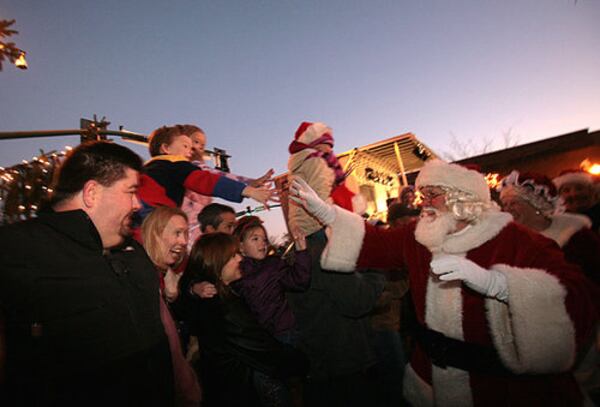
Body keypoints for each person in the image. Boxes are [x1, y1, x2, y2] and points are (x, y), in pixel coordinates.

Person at [290, 159, 597, 406]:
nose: (423, 203)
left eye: (431, 194)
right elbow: (376, 244)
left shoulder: (517, 240)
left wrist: (501, 285)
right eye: (422, 195)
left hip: (500, 387)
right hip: (432, 379)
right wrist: (328, 214)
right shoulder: (420, 236)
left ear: (460, 197)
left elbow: (580, 298)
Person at [0, 141, 173, 405]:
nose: (138, 204)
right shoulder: (16, 249)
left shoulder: (135, 252)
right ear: (92, 193)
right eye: (131, 191)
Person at [287, 121, 384, 406]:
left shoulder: (299, 252)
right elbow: (357, 300)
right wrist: (376, 270)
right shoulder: (326, 250)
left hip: (319, 367)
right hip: (344, 368)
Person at [179, 233, 309, 406]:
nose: (240, 258)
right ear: (218, 263)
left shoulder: (212, 296)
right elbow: (263, 350)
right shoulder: (224, 309)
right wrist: (302, 363)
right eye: (233, 256)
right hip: (238, 392)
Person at [135, 125, 275, 230]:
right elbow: (206, 181)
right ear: (166, 148)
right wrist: (247, 190)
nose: (190, 150)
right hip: (152, 213)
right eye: (185, 146)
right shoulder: (175, 164)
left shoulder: (152, 167)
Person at [141, 207, 201, 406]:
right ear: (155, 234)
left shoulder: (163, 277)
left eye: (185, 234)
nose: (184, 242)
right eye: (177, 233)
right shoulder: (138, 279)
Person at [179, 124, 274, 249]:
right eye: (196, 141)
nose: (199, 147)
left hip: (196, 226)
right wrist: (249, 185)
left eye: (202, 145)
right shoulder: (189, 168)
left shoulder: (193, 168)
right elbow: (217, 176)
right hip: (191, 227)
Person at [499, 170, 600, 284]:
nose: (507, 209)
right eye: (505, 205)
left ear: (536, 205)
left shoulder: (576, 236)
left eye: (513, 203)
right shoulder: (512, 243)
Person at [230, 216, 310, 345]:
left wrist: (301, 252)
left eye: (264, 239)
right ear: (241, 247)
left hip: (284, 331)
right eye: (255, 239)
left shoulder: (273, 265)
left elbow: (300, 281)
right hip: (257, 337)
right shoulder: (235, 272)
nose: (262, 243)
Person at [553, 168, 600, 233]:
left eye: (579, 188)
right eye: (566, 190)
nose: (573, 194)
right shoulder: (558, 224)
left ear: (591, 191)